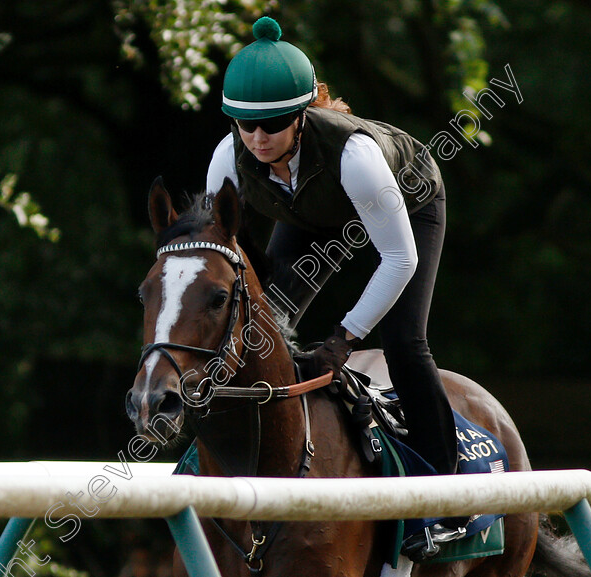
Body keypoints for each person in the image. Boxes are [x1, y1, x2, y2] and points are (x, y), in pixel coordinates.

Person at [205, 16, 461, 557]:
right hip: (313, 208)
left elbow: (399, 258)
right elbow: (225, 255)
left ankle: (447, 495)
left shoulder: (355, 156)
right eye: (246, 126)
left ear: (303, 115)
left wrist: (343, 339)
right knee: (265, 327)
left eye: (272, 125)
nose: (257, 140)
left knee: (402, 341)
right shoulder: (228, 159)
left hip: (406, 207)